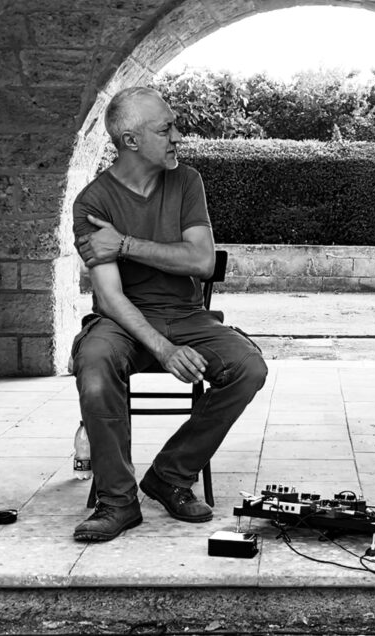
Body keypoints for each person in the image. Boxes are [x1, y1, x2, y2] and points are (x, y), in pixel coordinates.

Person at [70, 86, 268, 542]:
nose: (178, 136)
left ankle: (170, 475)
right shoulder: (92, 202)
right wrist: (163, 349)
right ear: (131, 140)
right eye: (166, 129)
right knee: (95, 365)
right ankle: (117, 501)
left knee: (248, 367)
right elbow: (110, 297)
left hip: (185, 314)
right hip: (121, 321)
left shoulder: (186, 181)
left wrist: (124, 244)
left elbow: (201, 260)